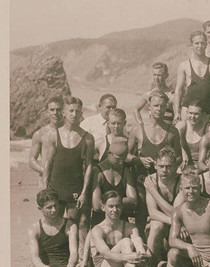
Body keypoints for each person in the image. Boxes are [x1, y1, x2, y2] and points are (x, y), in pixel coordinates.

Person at [43, 97, 94, 258]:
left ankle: (81, 260)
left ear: (81, 113)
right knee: (55, 224)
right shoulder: (53, 135)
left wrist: (85, 192)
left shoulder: (87, 138)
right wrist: (45, 191)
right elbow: (47, 165)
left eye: (77, 111)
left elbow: (89, 167)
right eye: (71, 110)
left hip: (75, 188)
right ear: (64, 112)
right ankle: (56, 258)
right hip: (55, 188)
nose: (74, 114)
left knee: (76, 224)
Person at [128, 90, 182, 235]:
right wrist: (139, 159)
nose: (159, 109)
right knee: (141, 213)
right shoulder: (138, 129)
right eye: (156, 106)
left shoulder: (172, 131)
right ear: (149, 107)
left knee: (162, 217)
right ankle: (139, 245)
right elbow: (126, 155)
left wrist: (165, 167)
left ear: (166, 108)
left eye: (162, 106)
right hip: (142, 179)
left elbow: (179, 158)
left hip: (164, 181)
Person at [90, 191, 158, 267]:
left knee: (138, 240)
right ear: (103, 207)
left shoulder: (129, 227)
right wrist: (129, 257)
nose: (115, 210)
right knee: (125, 242)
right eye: (111, 206)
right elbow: (106, 254)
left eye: (117, 206)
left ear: (122, 207)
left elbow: (139, 245)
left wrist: (144, 250)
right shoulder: (98, 229)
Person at [27, 189, 80, 267]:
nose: (54, 210)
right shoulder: (34, 229)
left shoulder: (69, 225)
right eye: (49, 207)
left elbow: (74, 252)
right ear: (40, 209)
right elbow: (34, 256)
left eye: (55, 205)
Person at [143, 147, 183, 267]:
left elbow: (176, 212)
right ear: (155, 165)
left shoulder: (181, 181)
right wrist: (175, 222)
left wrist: (154, 192)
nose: (165, 170)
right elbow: (153, 213)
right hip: (165, 227)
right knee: (156, 225)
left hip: (177, 230)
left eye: (168, 166)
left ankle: (163, 264)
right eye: (161, 166)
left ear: (176, 166)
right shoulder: (151, 180)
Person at [91, 139, 137, 223]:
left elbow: (133, 201)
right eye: (118, 159)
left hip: (121, 221)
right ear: (109, 154)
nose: (121, 163)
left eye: (124, 159)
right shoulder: (98, 172)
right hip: (101, 222)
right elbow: (97, 206)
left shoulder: (126, 172)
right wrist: (120, 203)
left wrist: (109, 203)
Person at [173, 31, 210, 122]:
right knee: (181, 130)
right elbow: (178, 90)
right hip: (189, 108)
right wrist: (177, 112)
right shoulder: (184, 65)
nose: (200, 46)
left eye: (202, 43)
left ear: (206, 44)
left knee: (208, 135)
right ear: (191, 45)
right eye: (196, 43)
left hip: (207, 109)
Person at [29, 96, 64, 188]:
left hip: (67, 179)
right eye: (52, 110)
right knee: (48, 202)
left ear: (63, 111)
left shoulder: (71, 133)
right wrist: (44, 170)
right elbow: (32, 160)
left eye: (58, 109)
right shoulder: (40, 134)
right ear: (47, 112)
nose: (55, 113)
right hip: (46, 180)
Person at [80, 94, 117, 162]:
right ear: (100, 107)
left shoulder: (119, 125)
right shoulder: (88, 123)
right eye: (108, 107)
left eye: (114, 107)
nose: (112, 110)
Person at [176, 101, 210, 168]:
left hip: (202, 166)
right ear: (186, 113)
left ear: (203, 114)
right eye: (190, 113)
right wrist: (183, 152)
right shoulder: (181, 126)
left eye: (196, 114)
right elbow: (173, 142)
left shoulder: (209, 129)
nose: (192, 116)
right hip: (183, 165)